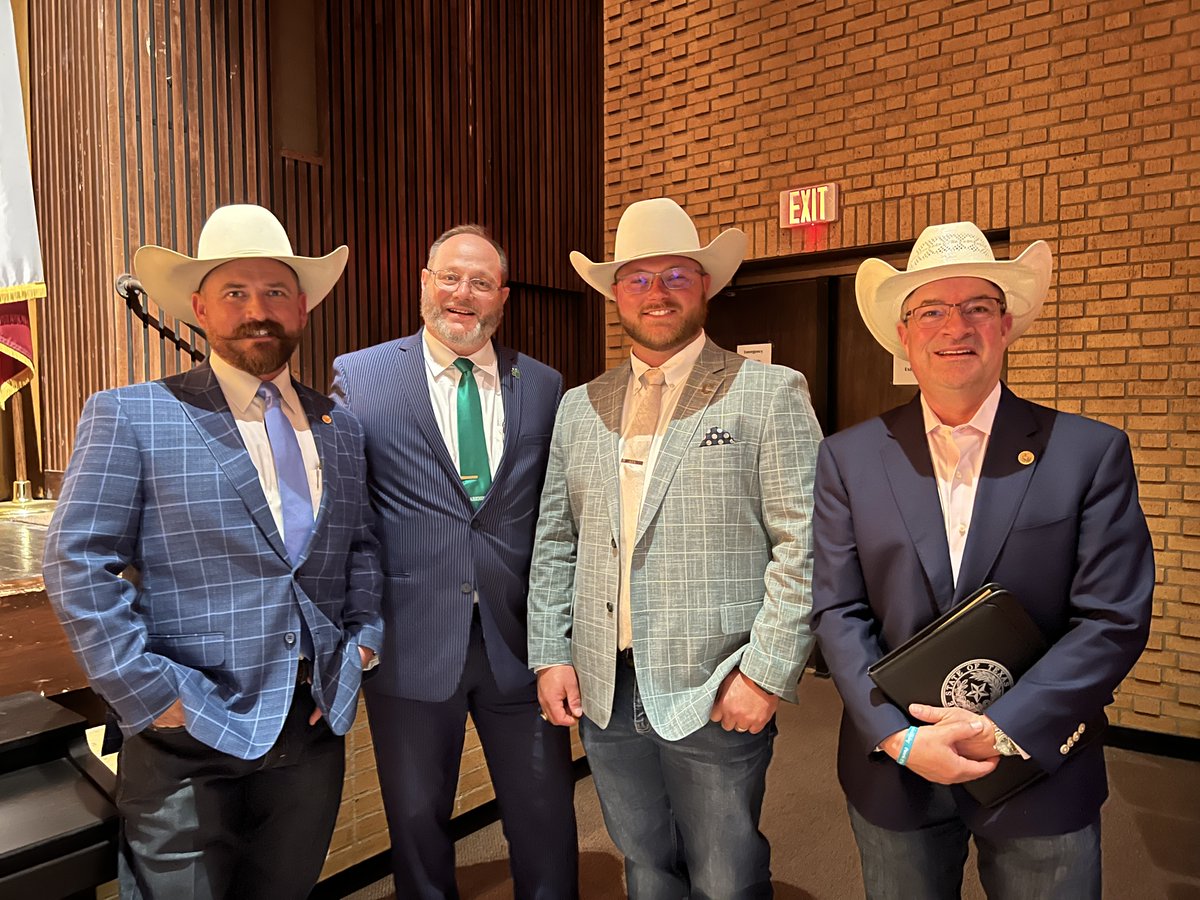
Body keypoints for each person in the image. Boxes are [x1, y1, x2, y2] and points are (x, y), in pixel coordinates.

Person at [43, 203, 384, 899]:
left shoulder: (340, 426)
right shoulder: (132, 415)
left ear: (303, 310)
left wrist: (363, 645)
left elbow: (364, 549)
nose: (257, 310)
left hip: (309, 731)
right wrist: (150, 692)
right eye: (236, 293)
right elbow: (77, 560)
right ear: (199, 308)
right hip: (186, 737)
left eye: (276, 292)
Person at [811, 221, 1154, 898]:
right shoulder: (847, 457)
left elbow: (1112, 618)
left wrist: (1003, 728)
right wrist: (899, 738)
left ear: (1007, 326)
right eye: (931, 311)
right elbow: (836, 609)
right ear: (904, 336)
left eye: (977, 307)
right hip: (896, 769)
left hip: (1042, 765)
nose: (954, 326)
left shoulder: (1088, 452)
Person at [528, 197, 822, 899]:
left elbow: (806, 543)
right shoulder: (581, 404)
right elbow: (555, 539)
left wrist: (767, 672)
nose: (656, 293)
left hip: (716, 682)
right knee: (645, 864)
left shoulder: (769, 393)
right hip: (606, 683)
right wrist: (552, 651)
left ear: (706, 287)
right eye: (638, 279)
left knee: (726, 875)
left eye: (675, 277)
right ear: (615, 294)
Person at [331, 224, 578, 899]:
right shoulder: (361, 377)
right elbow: (348, 518)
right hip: (408, 646)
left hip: (519, 647)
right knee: (416, 826)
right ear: (425, 283)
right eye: (449, 277)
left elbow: (555, 519)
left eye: (479, 282)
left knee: (546, 817)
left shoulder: (544, 386)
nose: (461, 294)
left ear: (501, 295)